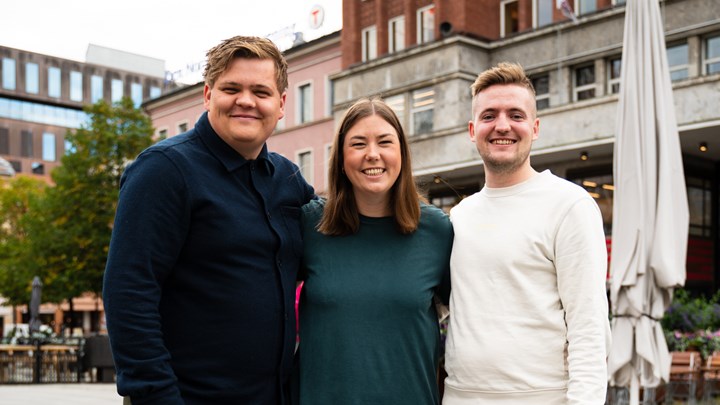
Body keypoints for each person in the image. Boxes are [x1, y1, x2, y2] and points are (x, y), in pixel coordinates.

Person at [103, 36, 314, 404]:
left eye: (260, 92)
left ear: (281, 104)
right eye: (231, 88)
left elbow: (340, 235)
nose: (246, 101)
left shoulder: (289, 179)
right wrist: (157, 396)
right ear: (207, 95)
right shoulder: (164, 170)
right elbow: (129, 291)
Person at [442, 62, 611, 404]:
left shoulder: (569, 205)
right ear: (472, 129)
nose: (502, 125)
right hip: (460, 396)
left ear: (534, 128)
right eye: (489, 115)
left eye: (515, 115)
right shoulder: (458, 216)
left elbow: (589, 328)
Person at [295, 98, 453, 404]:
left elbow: (471, 320)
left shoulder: (437, 231)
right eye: (357, 144)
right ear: (341, 158)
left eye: (385, 142)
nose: (372, 154)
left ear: (402, 155)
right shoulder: (309, 224)